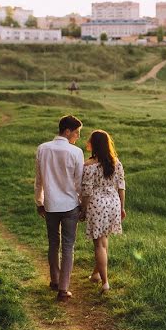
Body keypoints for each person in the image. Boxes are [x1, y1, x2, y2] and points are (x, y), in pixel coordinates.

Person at [35, 115, 84, 301]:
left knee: (53, 243)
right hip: (70, 205)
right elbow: (79, 183)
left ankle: (54, 280)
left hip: (50, 205)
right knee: (68, 246)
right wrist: (82, 204)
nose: (78, 137)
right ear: (67, 131)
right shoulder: (76, 152)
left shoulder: (42, 149)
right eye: (77, 133)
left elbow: (39, 180)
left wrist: (39, 202)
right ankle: (63, 289)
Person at [80, 130, 126, 293]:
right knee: (104, 239)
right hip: (113, 203)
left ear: (94, 144)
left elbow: (86, 191)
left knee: (98, 244)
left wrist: (83, 209)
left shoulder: (88, 165)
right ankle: (96, 275)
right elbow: (121, 187)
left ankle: (105, 282)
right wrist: (122, 207)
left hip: (97, 204)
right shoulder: (116, 163)